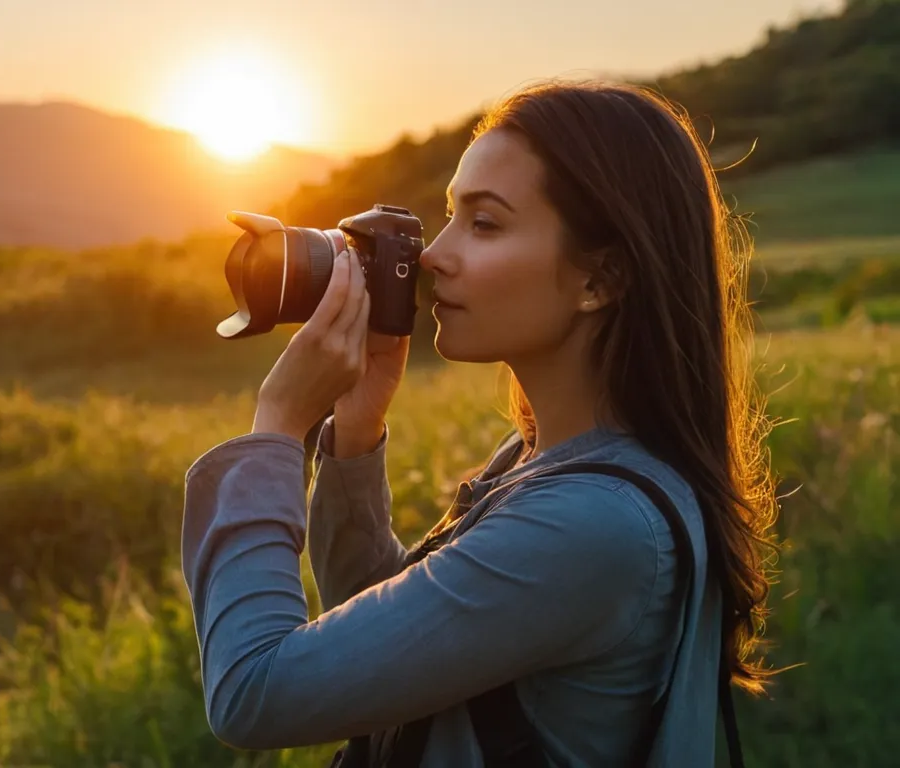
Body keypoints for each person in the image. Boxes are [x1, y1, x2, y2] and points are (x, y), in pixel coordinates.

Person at [180, 80, 781, 766]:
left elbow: (255, 693)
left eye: (485, 223)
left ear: (601, 280)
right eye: (449, 216)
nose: (434, 256)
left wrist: (278, 429)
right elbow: (391, 650)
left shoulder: (593, 523)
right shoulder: (542, 461)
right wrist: (356, 428)